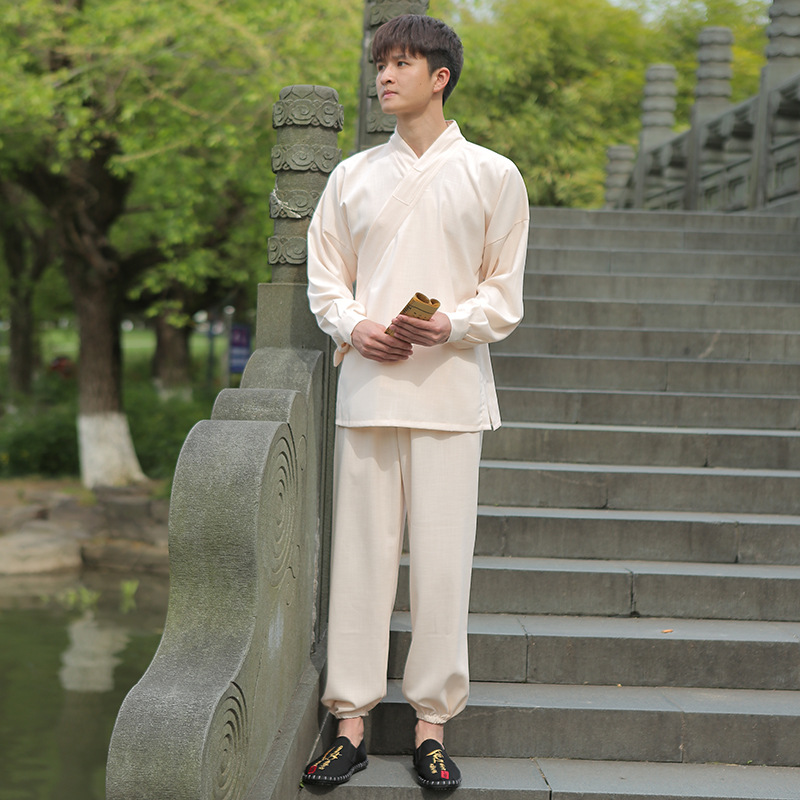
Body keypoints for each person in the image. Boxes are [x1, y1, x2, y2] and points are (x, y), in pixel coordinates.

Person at [302, 13, 529, 790]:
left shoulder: (494, 175)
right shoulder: (351, 177)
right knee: (359, 563)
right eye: (380, 64)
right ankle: (350, 723)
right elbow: (325, 278)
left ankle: (432, 725)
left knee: (442, 567)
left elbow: (503, 295)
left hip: (450, 395)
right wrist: (354, 325)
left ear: (440, 77)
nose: (385, 77)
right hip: (368, 392)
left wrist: (451, 324)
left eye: (401, 63)